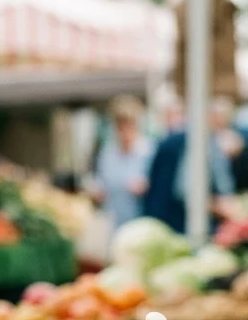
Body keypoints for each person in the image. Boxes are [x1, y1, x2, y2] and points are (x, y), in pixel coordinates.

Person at [143, 100, 235, 234]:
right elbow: (186, 190)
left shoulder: (209, 141)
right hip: (179, 222)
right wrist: (215, 204)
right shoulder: (188, 142)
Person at [91, 96, 154, 230]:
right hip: (114, 222)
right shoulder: (108, 154)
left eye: (129, 125)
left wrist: (145, 186)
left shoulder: (148, 151)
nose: (125, 132)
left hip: (142, 222)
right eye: (120, 126)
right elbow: (101, 182)